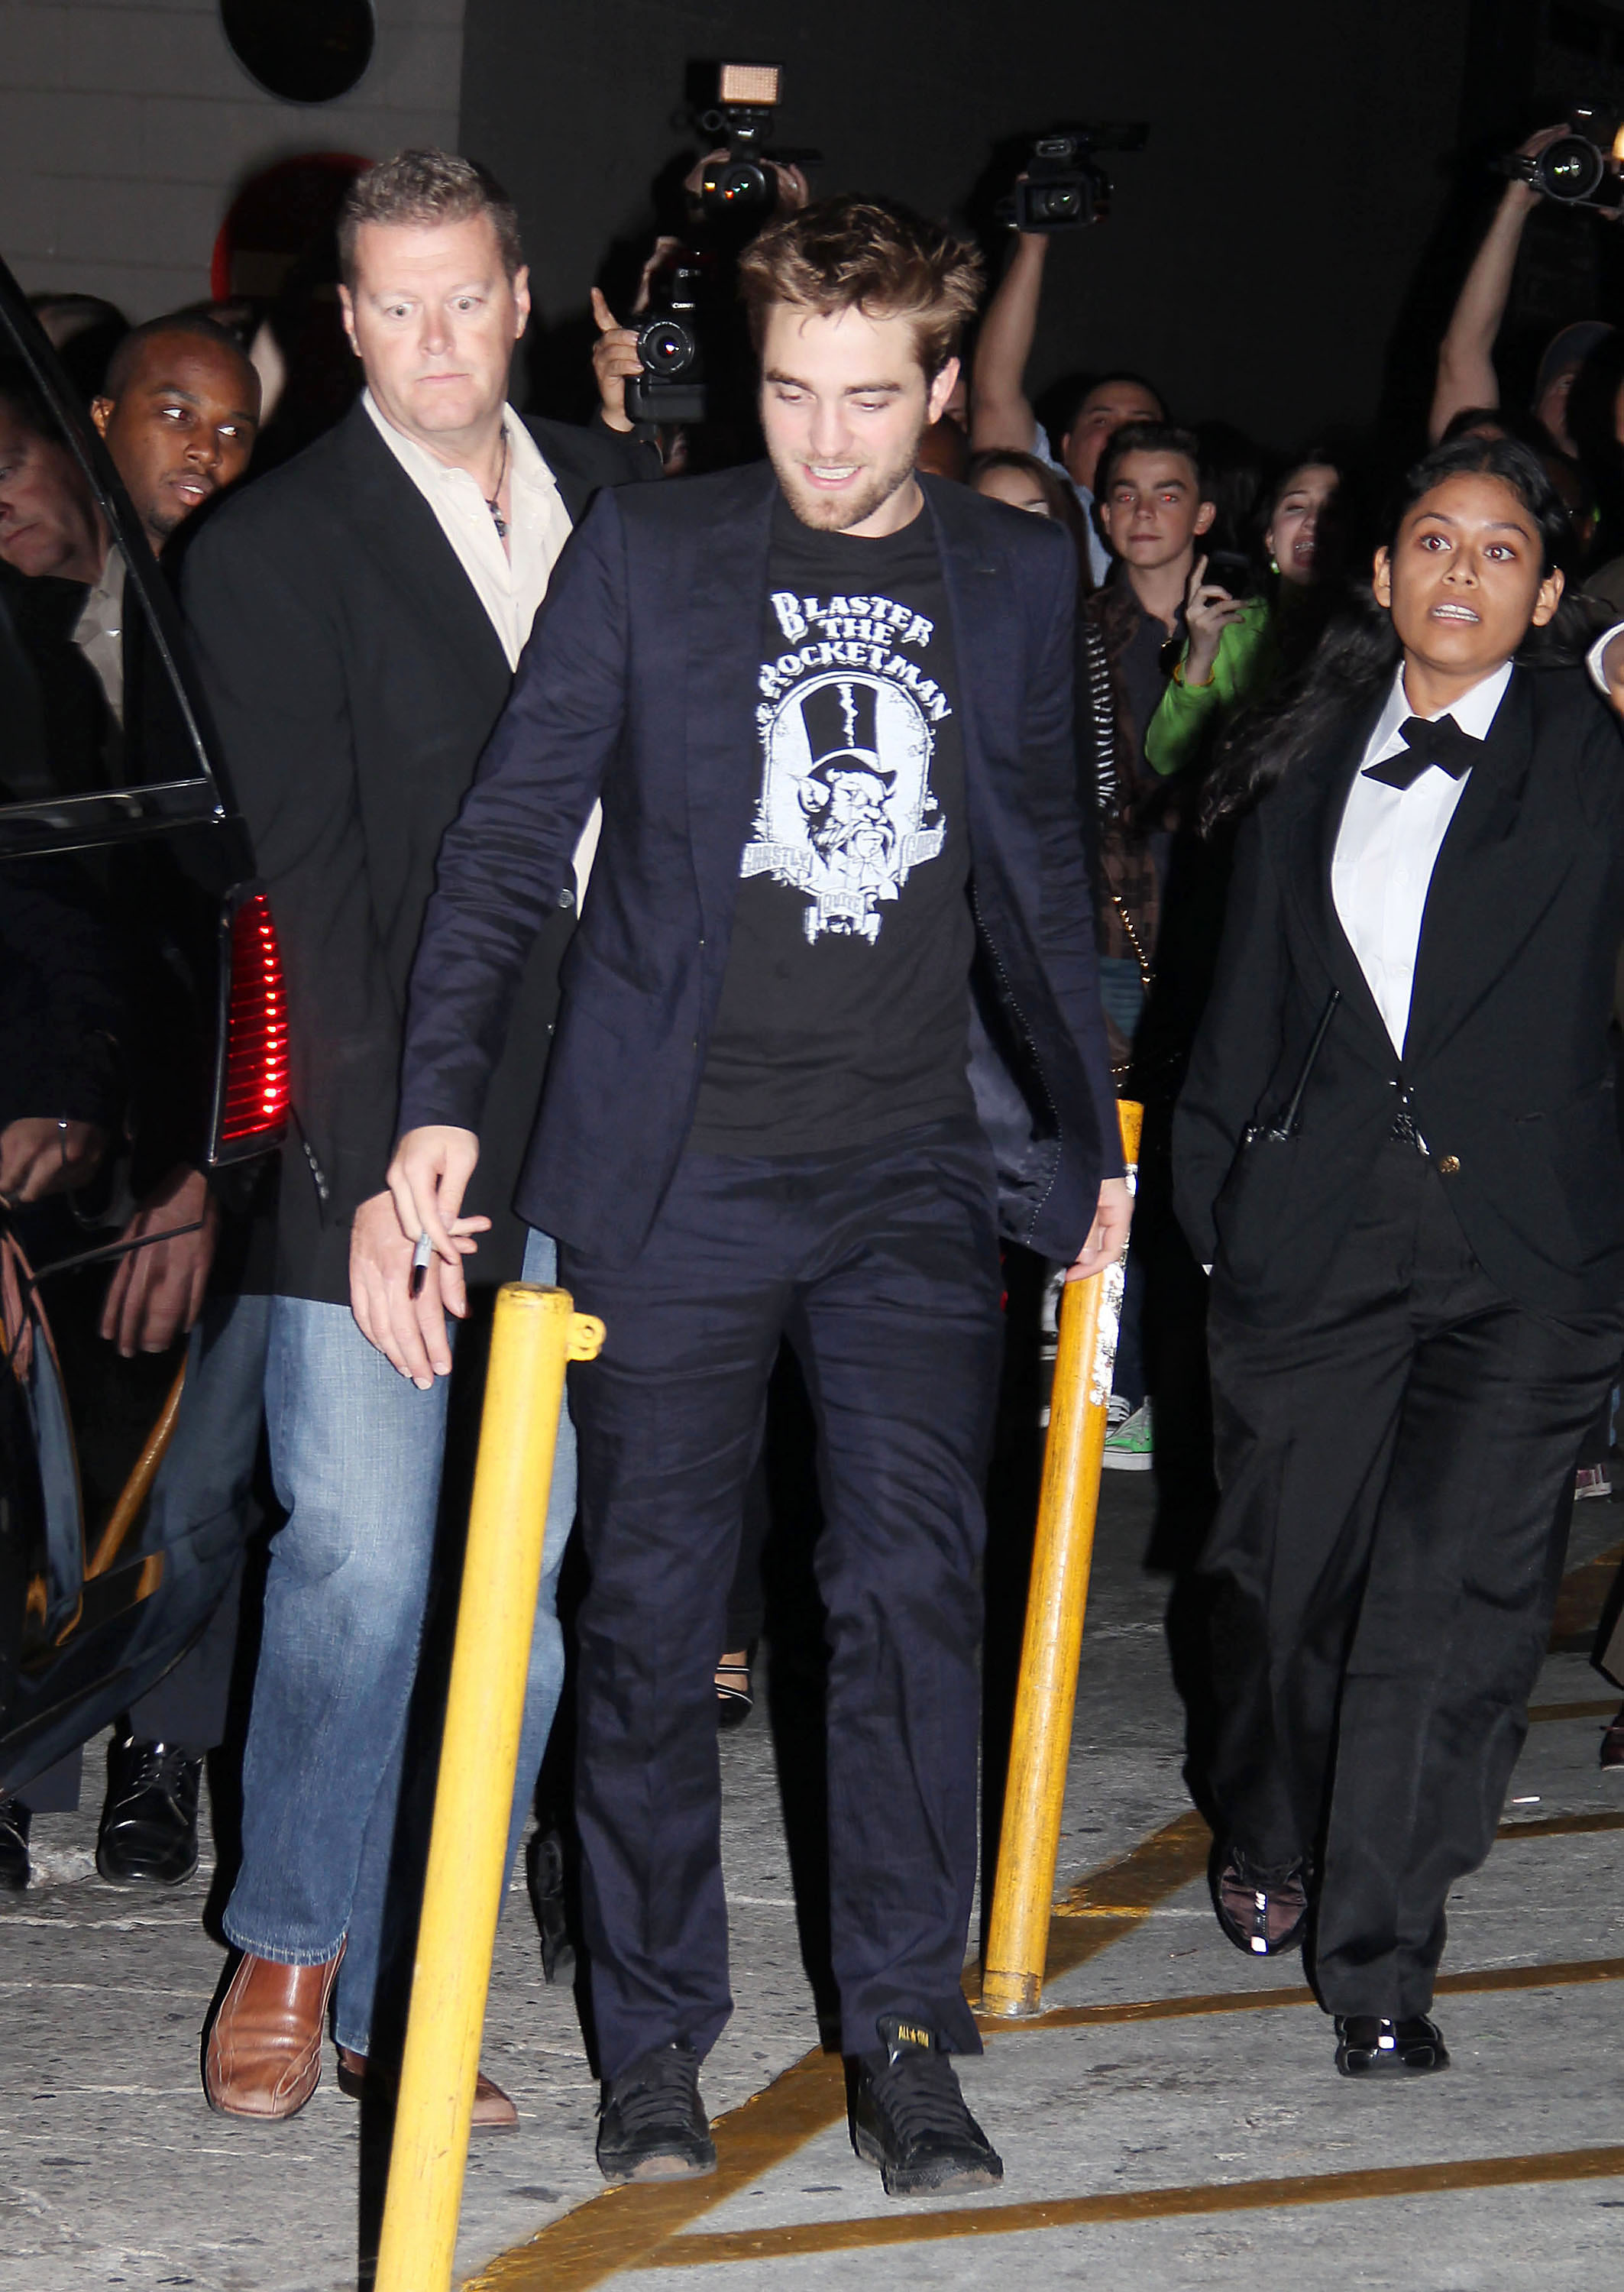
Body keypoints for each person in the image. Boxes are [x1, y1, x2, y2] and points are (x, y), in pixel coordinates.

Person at [387, 193, 1127, 2196]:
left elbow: (1037, 878)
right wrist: (440, 1105)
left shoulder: (1009, 567)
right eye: (792, 393)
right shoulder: (655, 550)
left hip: (906, 1169)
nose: (821, 440)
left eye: (867, 400)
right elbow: (507, 839)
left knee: (906, 1596)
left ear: (939, 388)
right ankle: (650, 2042)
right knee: (646, 1616)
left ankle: (903, 2031)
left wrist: (1085, 1144)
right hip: (676, 1168)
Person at [181, 147, 658, 2129]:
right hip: (376, 1132)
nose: (437, 338)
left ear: (520, 298)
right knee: (368, 1566)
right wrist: (386, 1171)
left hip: (592, 1136)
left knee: (514, 1615)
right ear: (346, 323)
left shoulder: (628, 499)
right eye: (397, 305)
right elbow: (311, 894)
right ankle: (292, 1940)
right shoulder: (270, 553)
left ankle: (412, 1985)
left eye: (468, 297)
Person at [1175, 432, 1624, 2075]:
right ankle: (1268, 1816)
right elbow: (1238, 997)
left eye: (1503, 551)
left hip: (1526, 1255)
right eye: (1434, 539)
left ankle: (1381, 1958)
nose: (1462, 572)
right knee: (1273, 1589)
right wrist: (1211, 1210)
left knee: (1455, 1600)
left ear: (1549, 596)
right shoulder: (1300, 750)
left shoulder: (1594, 754)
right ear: (1379, 571)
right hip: (1315, 1232)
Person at [0, 325, 267, 1891]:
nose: (204, 450)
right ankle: (24, 1758)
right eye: (174, 414)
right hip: (52, 1098)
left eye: (231, 426)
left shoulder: (253, 620)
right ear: (96, 423)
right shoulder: (42, 626)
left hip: (205, 1107)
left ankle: (162, 1748)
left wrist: (205, 1165)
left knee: (206, 1446)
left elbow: (248, 921)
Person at [970, 222, 1163, 584]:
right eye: (1101, 421)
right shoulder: (1050, 499)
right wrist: (1032, 247)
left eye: (1142, 423)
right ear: (1067, 446)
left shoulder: (1182, 524)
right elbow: (995, 390)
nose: (1122, 433)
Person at [1428, 123, 1611, 453]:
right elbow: (1463, 354)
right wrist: (1515, 204)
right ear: (1535, 409)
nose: (1581, 397)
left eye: (1601, 387)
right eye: (1567, 383)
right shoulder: (1499, 469)